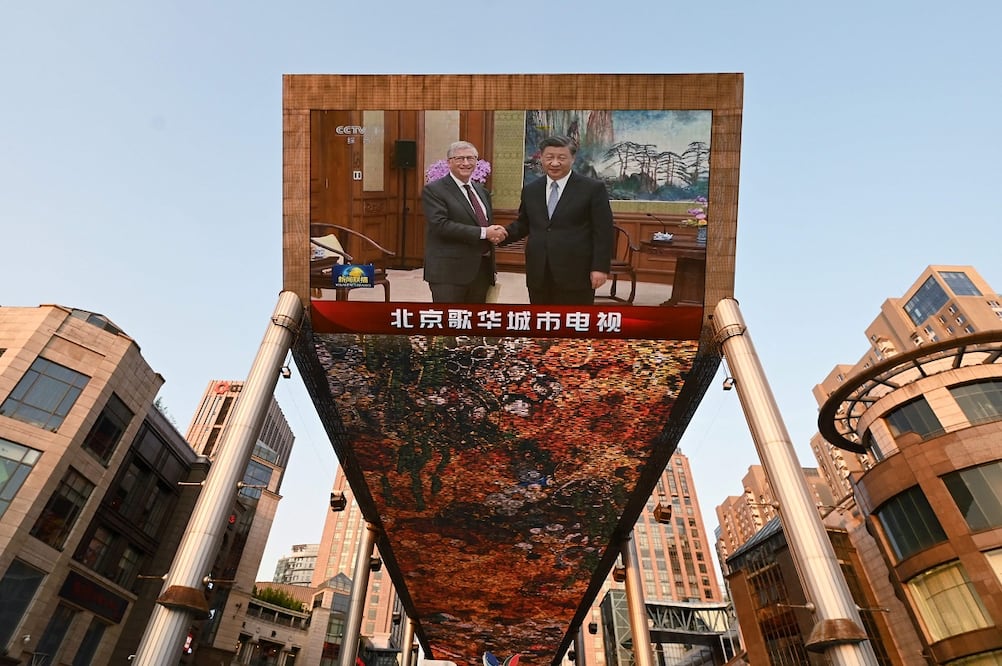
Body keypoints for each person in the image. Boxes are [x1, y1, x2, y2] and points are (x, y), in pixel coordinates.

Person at [503, 135, 614, 305]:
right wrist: (501, 234)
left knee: (572, 324)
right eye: (549, 157)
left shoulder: (592, 188)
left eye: (561, 158)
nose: (555, 163)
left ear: (573, 158)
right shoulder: (531, 190)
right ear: (541, 158)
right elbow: (524, 223)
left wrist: (600, 268)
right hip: (538, 271)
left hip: (576, 272)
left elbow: (603, 232)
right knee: (541, 323)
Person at [421, 141, 508, 303]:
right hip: (449, 273)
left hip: (481, 271)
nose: (466, 163)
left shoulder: (482, 191)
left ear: (477, 161)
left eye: (471, 158)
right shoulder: (434, 190)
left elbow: (485, 224)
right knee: (450, 322)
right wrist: (485, 233)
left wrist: (495, 235)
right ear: (449, 162)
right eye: (459, 158)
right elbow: (441, 225)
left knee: (474, 323)